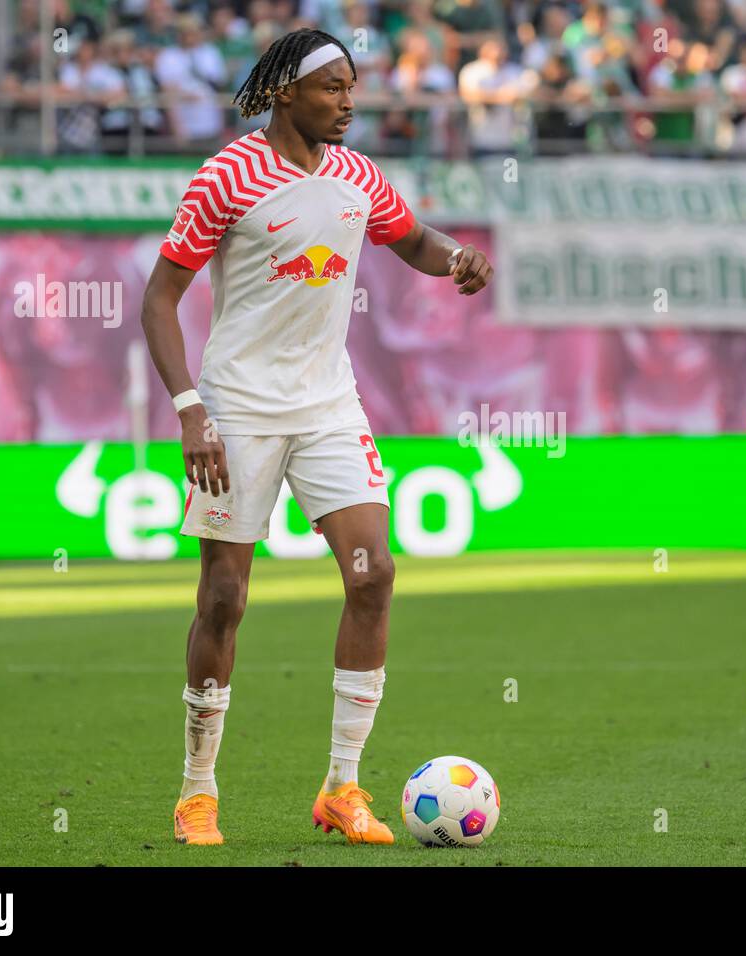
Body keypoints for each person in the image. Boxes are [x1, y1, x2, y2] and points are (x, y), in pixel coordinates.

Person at [140, 28, 493, 847]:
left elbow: (412, 240)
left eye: (352, 87)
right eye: (333, 87)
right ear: (284, 93)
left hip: (329, 404)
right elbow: (160, 299)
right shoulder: (228, 176)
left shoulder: (356, 174)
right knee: (223, 600)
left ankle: (342, 787)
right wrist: (191, 408)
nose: (348, 101)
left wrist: (457, 259)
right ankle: (198, 791)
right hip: (237, 409)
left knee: (374, 576)